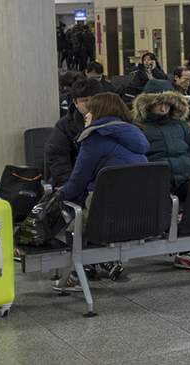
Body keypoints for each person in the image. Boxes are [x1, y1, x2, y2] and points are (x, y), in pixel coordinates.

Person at [50, 92, 149, 292]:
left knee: (68, 202)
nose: (86, 114)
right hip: (140, 212)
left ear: (100, 113)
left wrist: (58, 195)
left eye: (90, 110)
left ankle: (78, 271)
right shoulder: (135, 134)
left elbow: (77, 183)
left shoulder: (94, 137)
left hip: (105, 214)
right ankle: (103, 261)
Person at [132, 79, 190, 270]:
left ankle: (187, 243)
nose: (163, 107)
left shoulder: (180, 125)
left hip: (185, 173)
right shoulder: (139, 127)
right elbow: (136, 155)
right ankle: (181, 247)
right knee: (162, 202)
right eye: (159, 103)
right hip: (158, 176)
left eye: (167, 102)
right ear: (148, 103)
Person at [47, 78, 103, 189]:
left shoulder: (113, 123)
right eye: (85, 101)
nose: (91, 105)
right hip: (75, 183)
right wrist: (73, 187)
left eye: (95, 100)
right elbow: (59, 161)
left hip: (104, 182)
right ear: (75, 103)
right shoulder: (64, 125)